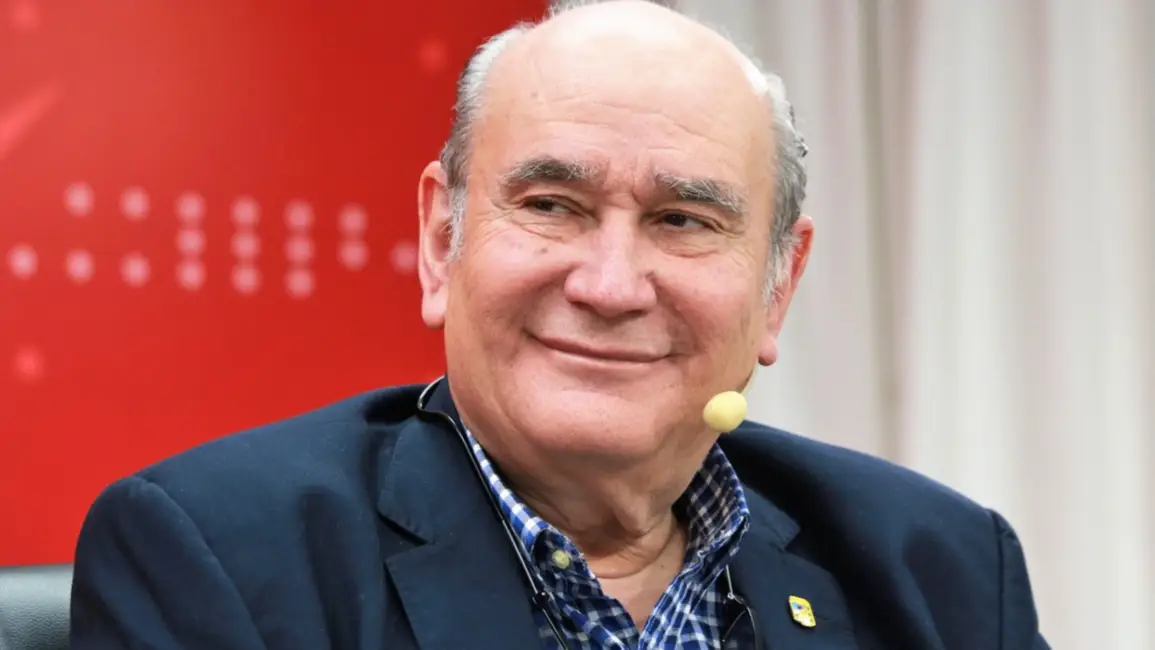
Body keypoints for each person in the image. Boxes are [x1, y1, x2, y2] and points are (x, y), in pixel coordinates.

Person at [70, 1, 1050, 648]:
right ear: (441, 241)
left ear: (777, 287)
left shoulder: (944, 570)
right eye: (551, 205)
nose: (611, 284)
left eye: (683, 220)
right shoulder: (216, 557)